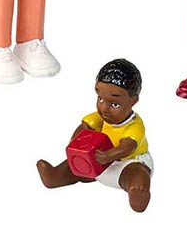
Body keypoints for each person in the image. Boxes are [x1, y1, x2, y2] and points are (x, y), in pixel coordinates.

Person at [36, 59, 152, 213]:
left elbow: (126, 147)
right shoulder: (100, 117)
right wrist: (75, 143)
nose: (104, 108)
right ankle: (55, 176)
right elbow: (84, 128)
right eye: (100, 99)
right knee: (75, 166)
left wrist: (108, 156)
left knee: (137, 174)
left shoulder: (134, 125)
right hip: (97, 162)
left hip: (126, 163)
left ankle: (137, 192)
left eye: (114, 104)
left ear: (133, 100)